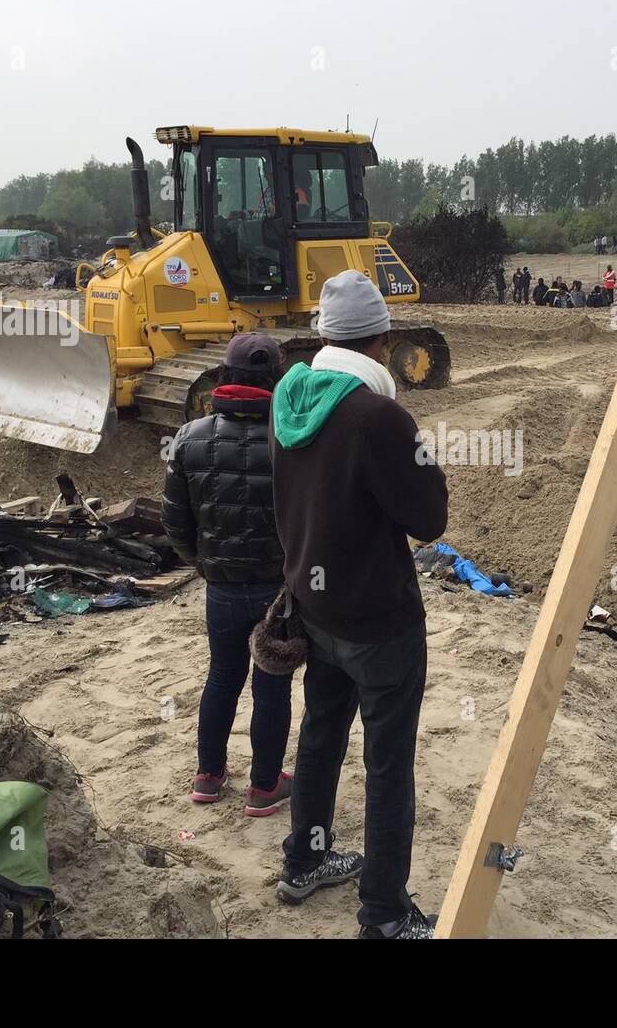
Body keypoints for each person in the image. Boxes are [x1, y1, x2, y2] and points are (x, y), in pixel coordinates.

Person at [270, 270, 449, 939]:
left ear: (324, 336)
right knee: (387, 765)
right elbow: (429, 519)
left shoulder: (287, 397)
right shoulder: (379, 417)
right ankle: (382, 910)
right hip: (379, 621)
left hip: (315, 609)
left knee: (318, 739)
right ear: (381, 337)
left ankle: (305, 861)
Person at [162, 334, 293, 816]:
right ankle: (263, 787)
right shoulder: (292, 438)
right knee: (272, 683)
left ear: (225, 376)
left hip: (219, 587)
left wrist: (202, 562)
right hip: (278, 589)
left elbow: (174, 521)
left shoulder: (189, 438)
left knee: (221, 675)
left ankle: (208, 776)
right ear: (276, 377)